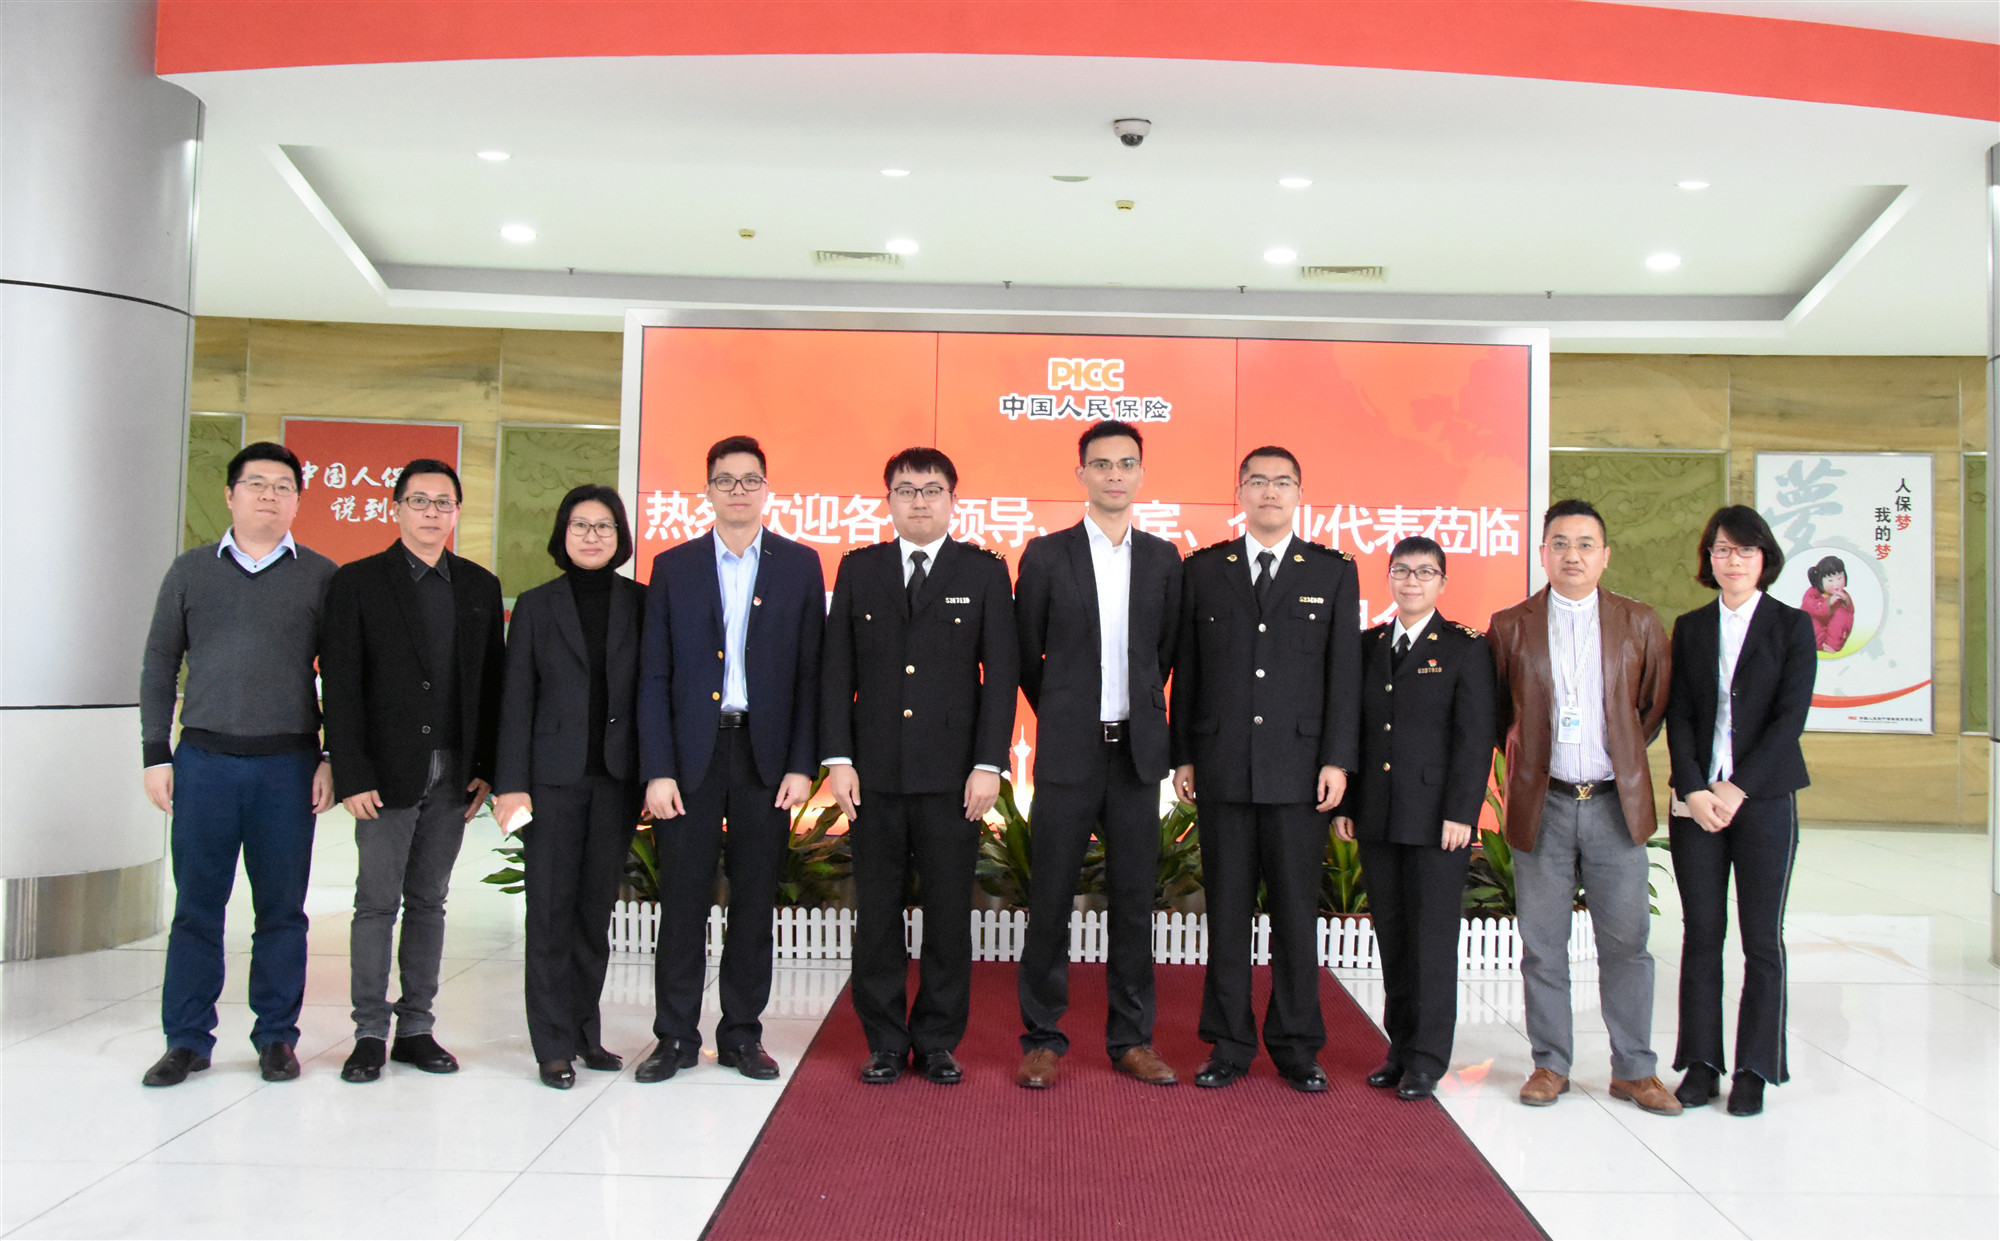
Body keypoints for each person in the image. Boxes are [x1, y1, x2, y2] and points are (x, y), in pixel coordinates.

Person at [138, 443, 338, 1087]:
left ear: (298, 500)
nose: (269, 495)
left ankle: (276, 1036)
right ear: (230, 495)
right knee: (197, 907)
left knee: (282, 910)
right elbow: (159, 663)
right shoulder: (190, 571)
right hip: (204, 762)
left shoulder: (322, 576)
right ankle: (187, 1040)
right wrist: (155, 752)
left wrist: (331, 756)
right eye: (257, 484)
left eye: (283, 486)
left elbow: (342, 676)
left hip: (287, 765)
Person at [821, 447, 1018, 1085]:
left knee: (947, 915)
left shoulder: (984, 572)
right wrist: (838, 759)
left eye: (932, 490)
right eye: (906, 490)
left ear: (953, 500)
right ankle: (883, 1040)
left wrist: (989, 764)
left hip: (952, 778)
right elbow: (837, 669)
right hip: (872, 776)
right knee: (877, 915)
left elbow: (1001, 676)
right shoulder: (860, 568)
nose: (920, 501)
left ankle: (936, 1041)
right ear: (889, 500)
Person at [1170, 446, 1360, 1093]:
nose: (1270, 491)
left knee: (1294, 917)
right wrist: (1183, 753)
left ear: (1299, 493)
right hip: (1222, 768)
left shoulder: (1331, 571)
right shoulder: (1205, 569)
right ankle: (1227, 1043)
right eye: (1258, 481)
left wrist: (1338, 759)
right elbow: (1189, 669)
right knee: (1226, 914)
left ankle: (1297, 1045)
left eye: (1282, 482)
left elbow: (1344, 675)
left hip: (1300, 773)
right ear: (1240, 492)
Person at [636, 437, 825, 1083]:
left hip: (764, 758)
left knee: (753, 900)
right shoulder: (674, 565)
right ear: (708, 490)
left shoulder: (800, 565)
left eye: (750, 480)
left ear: (767, 489)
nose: (738, 491)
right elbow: (653, 673)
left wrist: (802, 763)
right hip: (691, 755)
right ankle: (675, 1037)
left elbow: (812, 673)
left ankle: (743, 1034)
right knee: (682, 902)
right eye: (725, 480)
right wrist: (658, 768)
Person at [1488, 499, 1680, 1115]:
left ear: (1605, 555)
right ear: (1543, 553)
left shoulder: (1639, 622)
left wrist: (1617, 754)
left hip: (1612, 805)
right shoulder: (1510, 626)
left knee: (1627, 943)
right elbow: (1499, 712)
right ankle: (1550, 1064)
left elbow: (1650, 707)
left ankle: (1635, 1070)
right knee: (1543, 945)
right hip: (1542, 804)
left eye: (1585, 544)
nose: (1573, 555)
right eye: (1561, 543)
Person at [321, 458, 505, 1084]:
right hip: (384, 774)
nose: (431, 512)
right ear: (395, 508)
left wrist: (486, 769)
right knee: (376, 904)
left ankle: (417, 1028)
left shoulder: (479, 586)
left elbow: (492, 685)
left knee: (430, 902)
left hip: (454, 775)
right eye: (419, 501)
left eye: (443, 502)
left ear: (457, 512)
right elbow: (340, 684)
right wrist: (351, 772)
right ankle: (369, 1032)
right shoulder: (357, 582)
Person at [1012, 423, 1183, 1090]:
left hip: (1136, 756)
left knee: (1134, 901)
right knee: (1051, 897)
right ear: (1080, 473)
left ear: (1141, 474)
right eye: (1102, 464)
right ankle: (1042, 1038)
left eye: (1127, 463)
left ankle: (1131, 1039)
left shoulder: (1164, 559)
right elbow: (1028, 656)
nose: (1115, 474)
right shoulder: (1046, 555)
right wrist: (1064, 708)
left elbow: (1164, 654)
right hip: (1068, 753)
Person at [1664, 506, 1815, 1117]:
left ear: (1764, 558)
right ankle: (1701, 1064)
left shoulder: (1792, 626)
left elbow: (1790, 719)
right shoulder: (1691, 627)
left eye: (1745, 550)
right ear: (1709, 559)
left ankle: (1756, 1066)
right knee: (1701, 933)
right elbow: (1678, 713)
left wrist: (1738, 788)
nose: (1733, 561)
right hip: (1697, 803)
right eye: (1722, 550)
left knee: (1762, 939)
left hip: (1764, 800)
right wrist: (1694, 789)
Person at [493, 486, 646, 1089]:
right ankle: (552, 1044)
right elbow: (515, 700)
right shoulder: (536, 605)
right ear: (562, 533)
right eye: (581, 525)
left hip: (616, 781)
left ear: (620, 537)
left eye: (604, 526)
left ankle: (586, 1032)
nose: (592, 536)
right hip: (550, 783)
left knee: (593, 914)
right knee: (550, 915)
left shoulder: (641, 602)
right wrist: (511, 785)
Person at [1333, 535, 1495, 1101]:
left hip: (1436, 822)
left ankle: (1427, 1060)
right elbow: (1353, 729)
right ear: (1389, 578)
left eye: (1425, 573)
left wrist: (1461, 813)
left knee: (1431, 940)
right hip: (1378, 814)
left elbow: (1475, 737)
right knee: (1394, 937)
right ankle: (1399, 1050)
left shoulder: (1465, 647)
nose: (1412, 581)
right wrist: (1349, 805)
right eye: (1402, 571)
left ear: (1442, 583)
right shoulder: (1369, 644)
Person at [1800, 556, 1853, 653]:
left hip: (1832, 633)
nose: (1836, 584)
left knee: (1842, 614)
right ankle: (1819, 644)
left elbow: (1848, 615)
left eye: (1839, 578)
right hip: (1815, 628)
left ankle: (1832, 645)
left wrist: (1846, 601)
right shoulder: (1812, 594)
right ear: (1820, 581)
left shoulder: (1843, 595)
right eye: (1830, 580)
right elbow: (1812, 608)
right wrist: (1828, 603)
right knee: (1809, 621)